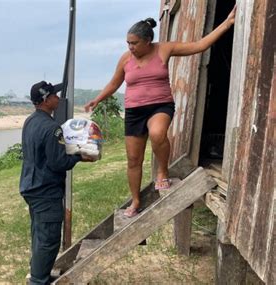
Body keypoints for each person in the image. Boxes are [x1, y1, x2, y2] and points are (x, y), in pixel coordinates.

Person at [84, 7, 236, 218]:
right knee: (133, 160)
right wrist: (97, 99)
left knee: (157, 134)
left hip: (160, 106)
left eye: (134, 43)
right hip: (134, 111)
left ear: (148, 41)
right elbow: (114, 83)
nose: (130, 47)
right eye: (128, 43)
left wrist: (227, 23)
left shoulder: (164, 49)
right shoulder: (126, 59)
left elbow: (199, 45)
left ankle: (162, 171)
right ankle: (136, 200)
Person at [20, 81, 95, 284]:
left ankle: (36, 273)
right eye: (54, 95)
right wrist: (80, 156)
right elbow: (59, 162)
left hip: (30, 186)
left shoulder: (30, 121)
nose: (58, 98)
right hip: (46, 190)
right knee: (48, 239)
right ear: (46, 100)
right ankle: (37, 280)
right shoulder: (52, 128)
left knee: (39, 233)